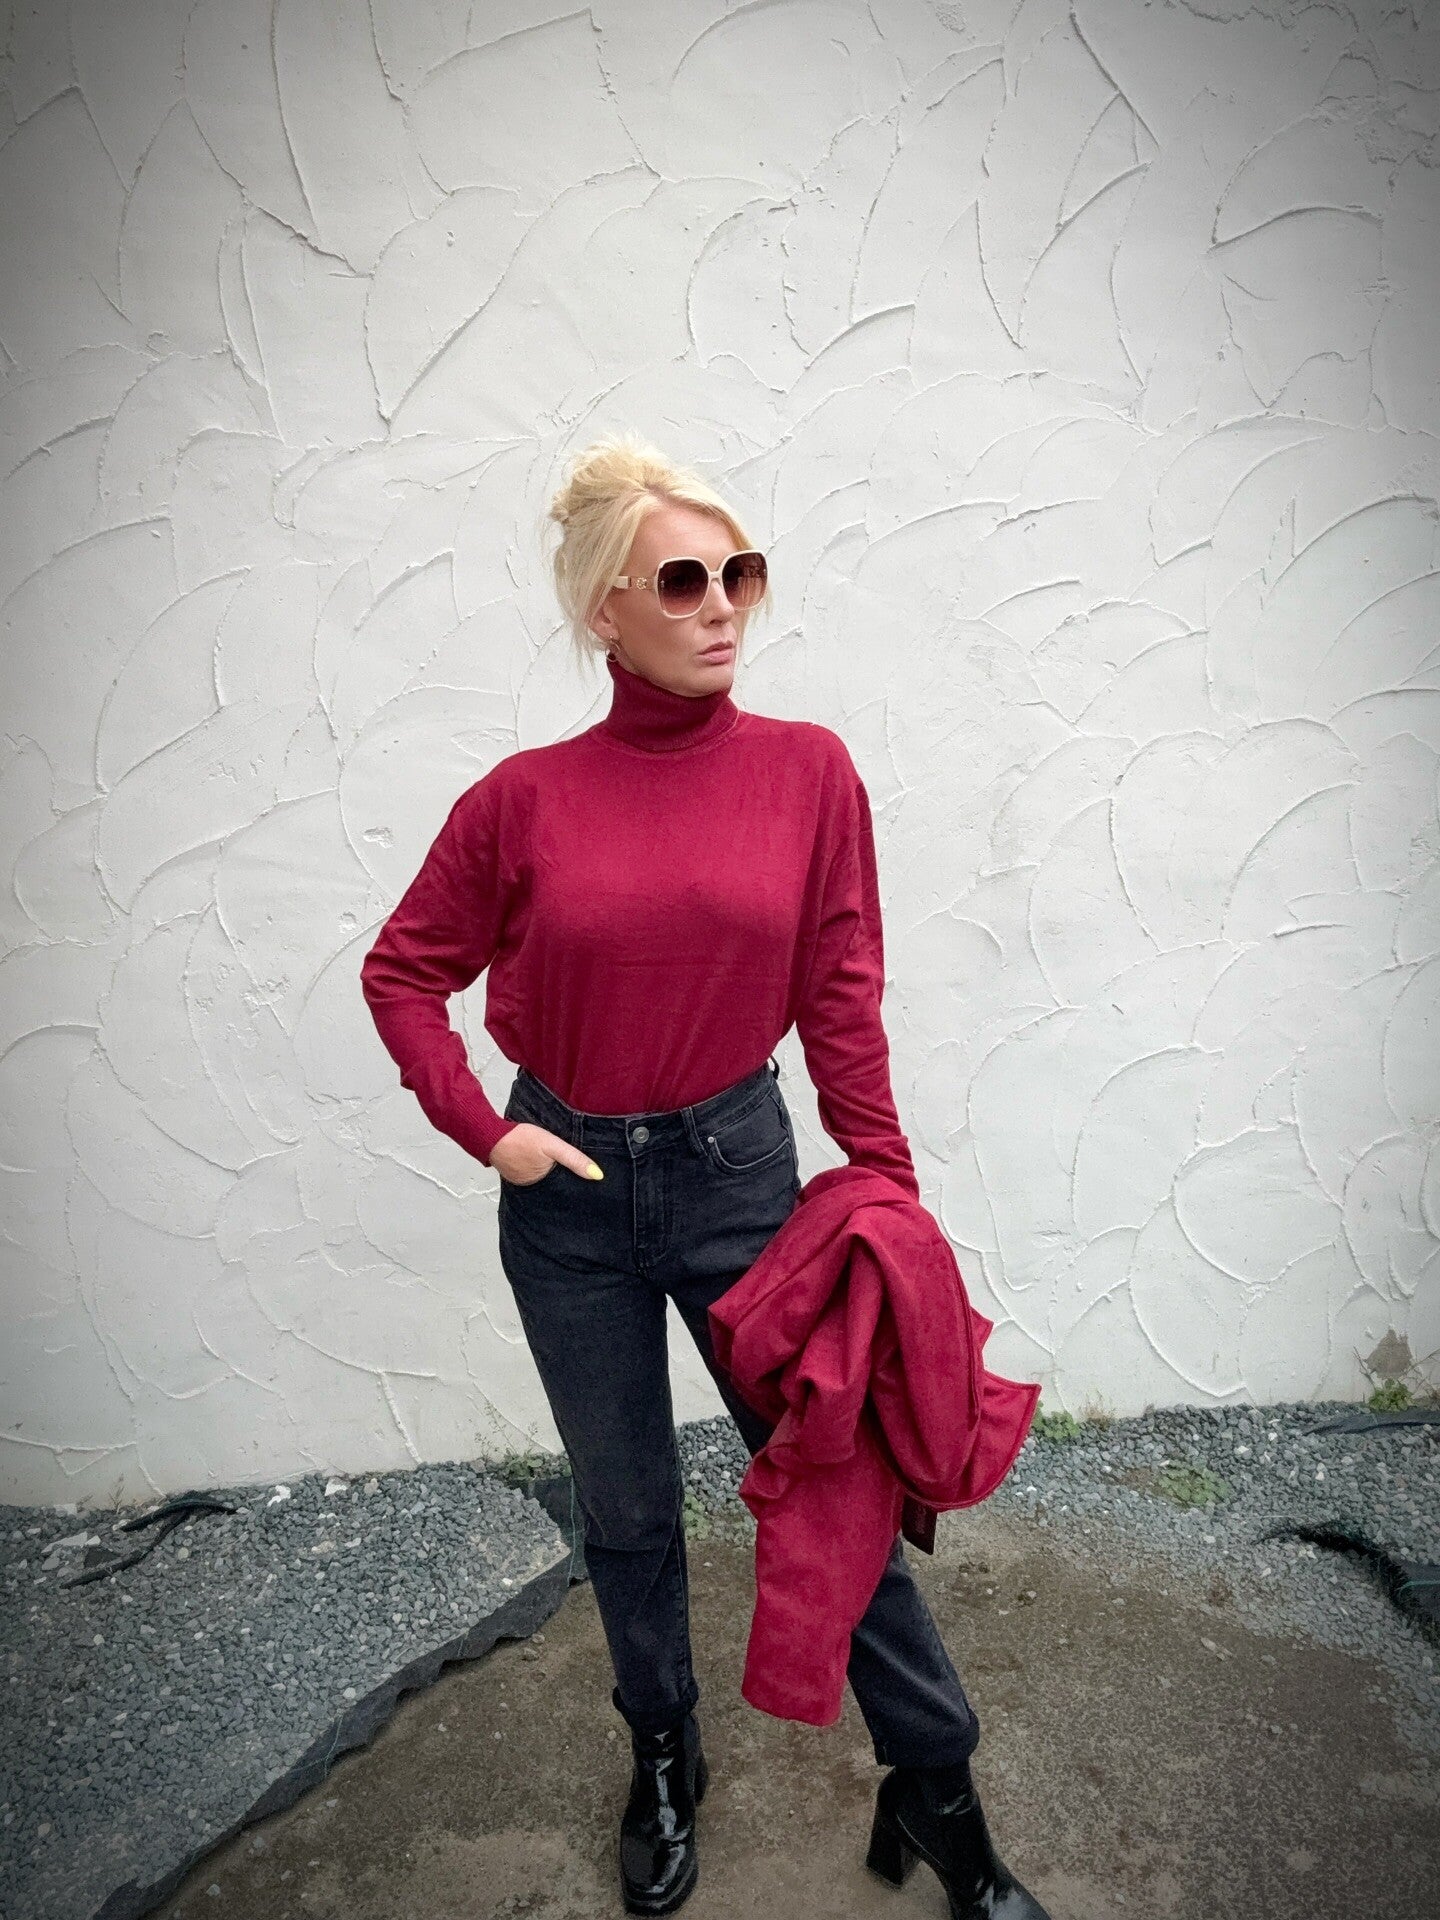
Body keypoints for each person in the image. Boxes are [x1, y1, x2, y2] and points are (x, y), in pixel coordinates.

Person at [360, 432, 1051, 1919]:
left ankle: (938, 1793)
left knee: (838, 1487)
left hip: (741, 1176)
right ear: (605, 607)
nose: (723, 603)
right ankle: (665, 1754)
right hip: (568, 1195)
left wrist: (887, 1193)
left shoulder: (808, 773)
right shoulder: (522, 800)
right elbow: (403, 972)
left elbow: (842, 992)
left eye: (740, 572)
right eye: (683, 580)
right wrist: (487, 1131)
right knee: (626, 1511)